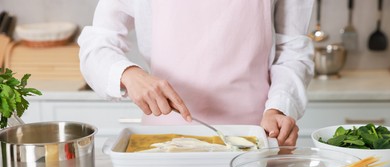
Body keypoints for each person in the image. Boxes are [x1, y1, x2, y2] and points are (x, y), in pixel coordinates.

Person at [78, 0, 315, 146]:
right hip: (165, 141)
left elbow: (292, 49)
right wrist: (128, 74)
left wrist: (280, 108)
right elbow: (97, 43)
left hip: (256, 138)